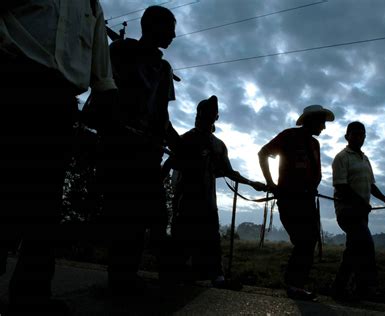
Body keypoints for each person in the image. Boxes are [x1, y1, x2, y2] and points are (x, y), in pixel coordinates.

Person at [0, 0, 116, 314]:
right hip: (12, 81)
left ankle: (31, 294)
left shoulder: (92, 5)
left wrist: (108, 103)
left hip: (60, 102)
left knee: (45, 203)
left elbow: (101, 69)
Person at [96, 5, 179, 295]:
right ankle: (121, 279)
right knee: (125, 213)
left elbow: (162, 115)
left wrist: (175, 143)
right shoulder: (119, 51)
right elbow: (104, 91)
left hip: (148, 150)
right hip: (121, 146)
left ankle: (129, 276)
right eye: (170, 27)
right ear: (152, 26)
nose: (174, 34)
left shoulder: (164, 68)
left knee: (153, 215)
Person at [165, 95, 266, 288]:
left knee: (211, 238)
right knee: (182, 237)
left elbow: (228, 171)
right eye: (202, 115)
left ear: (215, 118)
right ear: (197, 116)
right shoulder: (186, 140)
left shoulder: (219, 145)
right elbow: (170, 162)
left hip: (209, 201)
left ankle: (216, 276)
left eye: (209, 116)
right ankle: (176, 275)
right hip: (185, 200)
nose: (204, 119)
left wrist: (252, 183)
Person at [258, 104, 334, 300]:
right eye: (321, 123)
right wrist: (270, 183)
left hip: (307, 198)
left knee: (309, 239)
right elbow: (263, 153)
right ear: (311, 120)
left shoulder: (315, 145)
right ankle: (294, 285)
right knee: (305, 240)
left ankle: (295, 284)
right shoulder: (289, 136)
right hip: (290, 197)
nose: (324, 128)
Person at [331, 121, 385, 301]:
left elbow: (371, 186)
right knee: (366, 246)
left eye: (362, 134)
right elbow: (340, 186)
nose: (360, 137)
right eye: (355, 133)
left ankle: (341, 289)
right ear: (347, 136)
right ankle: (367, 288)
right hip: (347, 211)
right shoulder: (341, 157)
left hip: (361, 213)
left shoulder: (365, 159)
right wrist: (360, 202)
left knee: (353, 250)